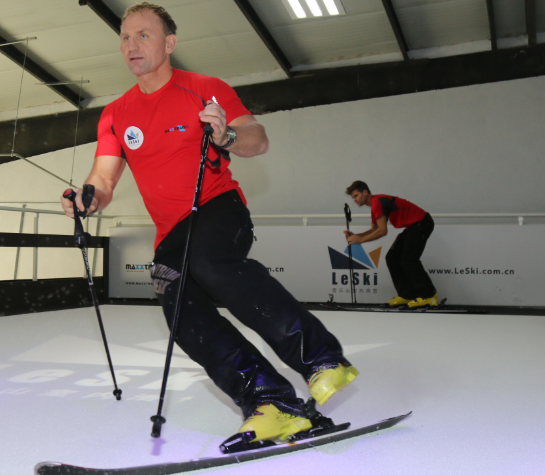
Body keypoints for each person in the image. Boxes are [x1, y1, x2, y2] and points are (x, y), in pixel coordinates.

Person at [61, 2, 358, 443]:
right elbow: (103, 177)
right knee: (179, 308)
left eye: (144, 35)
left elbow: (257, 139)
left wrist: (227, 135)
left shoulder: (204, 89)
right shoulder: (116, 114)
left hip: (219, 210)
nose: (132, 45)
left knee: (209, 262)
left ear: (170, 43)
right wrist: (87, 198)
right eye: (125, 37)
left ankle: (321, 358)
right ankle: (268, 399)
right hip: (172, 234)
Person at [344, 181, 438, 308]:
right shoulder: (375, 205)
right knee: (392, 258)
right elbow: (374, 230)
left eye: (356, 196)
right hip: (414, 226)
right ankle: (407, 295)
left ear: (365, 192)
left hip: (422, 222)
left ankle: (429, 296)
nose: (354, 200)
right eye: (353, 197)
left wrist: (360, 240)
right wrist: (356, 236)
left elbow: (383, 231)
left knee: (408, 259)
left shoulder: (377, 201)